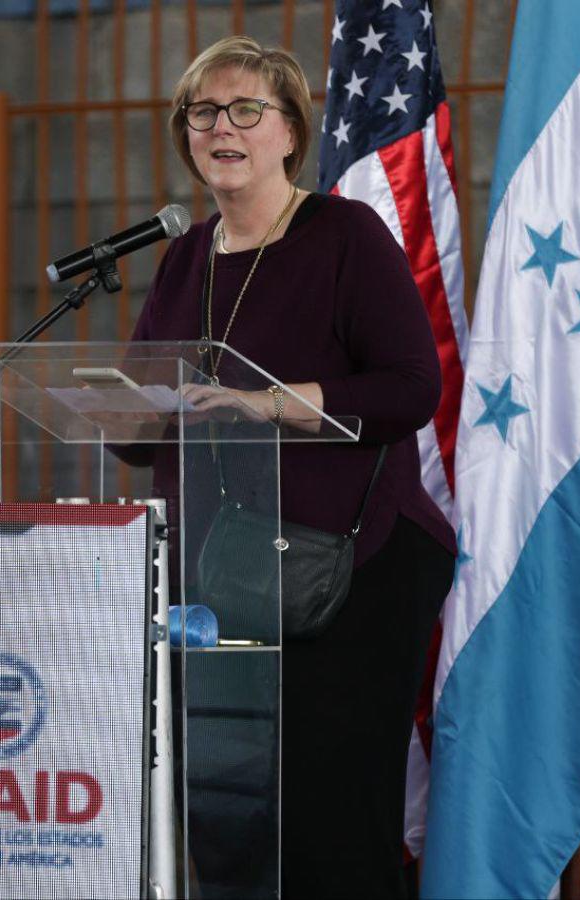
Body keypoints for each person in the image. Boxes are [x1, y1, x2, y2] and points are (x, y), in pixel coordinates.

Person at [125, 36, 457, 897]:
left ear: (288, 133)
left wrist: (262, 403)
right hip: (221, 573)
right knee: (229, 821)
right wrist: (119, 405)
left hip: (348, 568)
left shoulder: (344, 234)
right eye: (202, 113)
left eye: (245, 110)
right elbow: (138, 420)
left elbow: (410, 387)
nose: (220, 127)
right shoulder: (184, 257)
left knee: (330, 823)